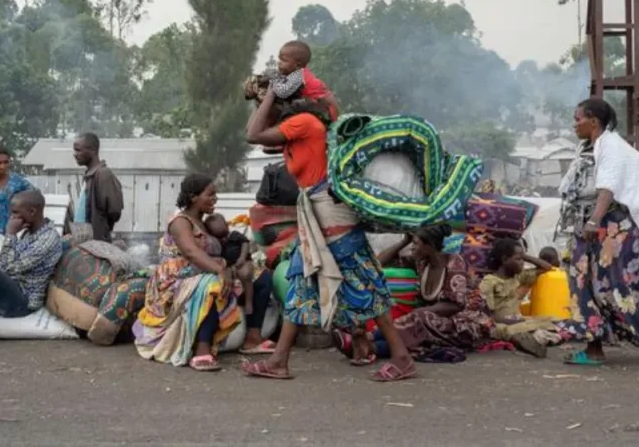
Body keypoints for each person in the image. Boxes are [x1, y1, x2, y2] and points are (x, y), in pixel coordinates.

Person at [244, 90, 415, 381]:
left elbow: (254, 134)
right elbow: (262, 134)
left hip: (332, 219)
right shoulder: (298, 132)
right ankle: (279, 361)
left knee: (364, 283)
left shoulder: (305, 123)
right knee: (301, 280)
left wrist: (270, 94)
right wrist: (263, 98)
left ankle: (401, 357)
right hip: (317, 216)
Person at [555, 97, 639, 365]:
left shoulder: (611, 146)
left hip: (609, 229)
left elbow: (607, 188)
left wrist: (594, 221)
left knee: (614, 284)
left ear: (594, 121)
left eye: (578, 119)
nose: (574, 124)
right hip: (587, 227)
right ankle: (593, 348)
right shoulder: (587, 147)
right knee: (582, 284)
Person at [133, 174, 275, 371]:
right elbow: (191, 253)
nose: (215, 199)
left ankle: (252, 337)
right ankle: (202, 349)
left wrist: (235, 264)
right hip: (177, 281)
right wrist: (220, 270)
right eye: (210, 195)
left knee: (262, 277)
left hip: (210, 271)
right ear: (193, 197)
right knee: (211, 285)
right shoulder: (180, 222)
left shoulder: (207, 223)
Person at [354, 226, 494, 362]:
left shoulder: (454, 262)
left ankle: (370, 341)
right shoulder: (421, 263)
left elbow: (454, 305)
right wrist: (404, 241)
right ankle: (370, 346)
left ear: (429, 246)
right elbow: (378, 264)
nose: (412, 247)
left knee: (419, 319)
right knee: (418, 329)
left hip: (464, 324)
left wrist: (418, 313)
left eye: (415, 243)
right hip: (432, 324)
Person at [0, 190, 62, 327]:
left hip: (22, 303)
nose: (12, 217)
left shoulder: (47, 239)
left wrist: (10, 234)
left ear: (32, 212)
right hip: (11, 292)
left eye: (16, 212)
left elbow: (9, 268)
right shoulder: (29, 232)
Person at [478, 239, 559, 358]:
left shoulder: (518, 277)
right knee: (507, 329)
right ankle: (532, 339)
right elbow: (488, 316)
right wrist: (515, 322)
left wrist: (524, 256)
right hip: (500, 323)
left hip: (518, 320)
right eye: (518, 259)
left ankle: (534, 336)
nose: (522, 263)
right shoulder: (489, 281)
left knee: (550, 320)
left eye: (522, 259)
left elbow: (547, 267)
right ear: (505, 260)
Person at [203, 214, 259, 325]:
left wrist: (242, 257)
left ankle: (249, 302)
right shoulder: (217, 243)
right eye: (219, 237)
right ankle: (232, 305)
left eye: (224, 235)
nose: (223, 239)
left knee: (246, 274)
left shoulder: (234, 235)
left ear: (227, 226)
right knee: (227, 282)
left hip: (243, 262)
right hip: (229, 266)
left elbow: (245, 243)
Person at [72, 133, 124, 242]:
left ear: (93, 150)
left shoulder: (103, 175)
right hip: (84, 242)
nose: (74, 154)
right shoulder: (90, 175)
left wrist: (101, 230)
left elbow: (114, 211)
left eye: (78, 150)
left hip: (96, 243)